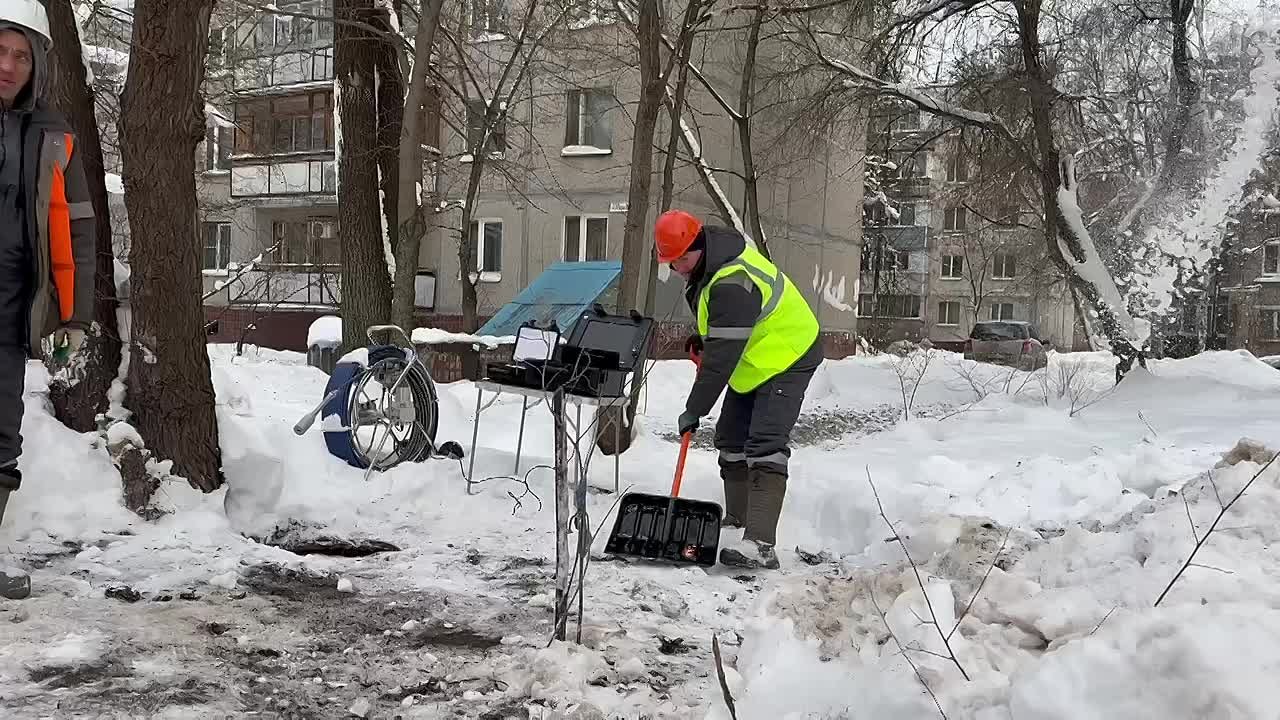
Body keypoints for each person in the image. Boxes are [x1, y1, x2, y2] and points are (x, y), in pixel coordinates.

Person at [655, 209, 822, 570]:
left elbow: (719, 364)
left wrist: (694, 409)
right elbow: (725, 328)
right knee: (730, 436)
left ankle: (761, 543)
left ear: (697, 245)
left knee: (765, 443)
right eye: (671, 263)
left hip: (789, 353)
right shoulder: (707, 266)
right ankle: (738, 519)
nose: (677, 268)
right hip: (756, 358)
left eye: (681, 259)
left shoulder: (731, 279)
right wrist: (706, 338)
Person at [0, 0, 96, 600]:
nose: (8, 65)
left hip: (13, 313)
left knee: (2, 440)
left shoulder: (56, 134)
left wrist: (76, 315)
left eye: (20, 55)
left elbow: (79, 225)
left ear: (36, 66)